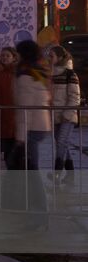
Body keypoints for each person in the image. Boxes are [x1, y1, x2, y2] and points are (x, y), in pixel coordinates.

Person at [11, 39, 52, 229]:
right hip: (40, 125)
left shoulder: (26, 75)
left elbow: (24, 109)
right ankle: (36, 213)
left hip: (31, 127)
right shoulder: (37, 72)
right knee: (30, 171)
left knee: (32, 173)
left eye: (17, 53)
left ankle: (39, 214)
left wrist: (20, 137)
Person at [50, 45, 80, 186]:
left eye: (52, 56)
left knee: (61, 141)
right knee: (62, 143)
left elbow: (74, 96)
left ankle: (57, 172)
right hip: (54, 114)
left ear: (60, 57)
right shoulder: (50, 74)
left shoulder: (70, 74)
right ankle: (70, 170)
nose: (49, 59)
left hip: (67, 115)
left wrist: (67, 113)